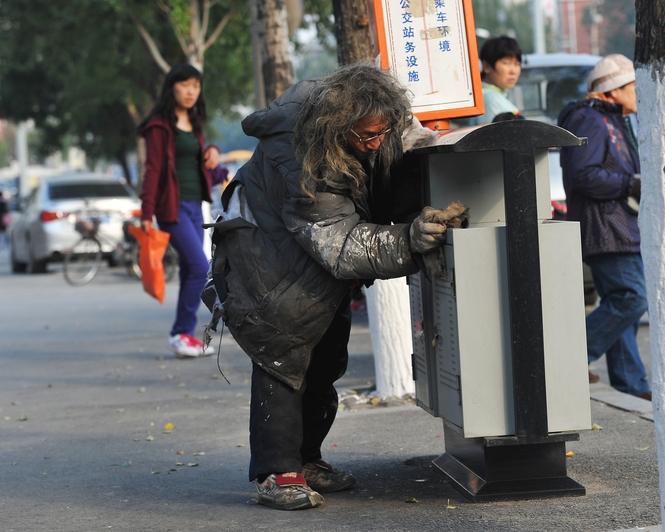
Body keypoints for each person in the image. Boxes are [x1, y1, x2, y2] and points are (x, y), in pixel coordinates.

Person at [204, 65, 459, 510]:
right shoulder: (302, 155)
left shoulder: (369, 123)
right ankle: (277, 472)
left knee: (326, 359)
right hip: (266, 266)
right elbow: (339, 244)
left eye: (383, 132)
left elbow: (398, 147)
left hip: (304, 264)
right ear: (338, 126)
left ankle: (308, 458)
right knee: (283, 357)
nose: (376, 144)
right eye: (367, 137)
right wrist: (409, 240)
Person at [557, 54, 651, 400]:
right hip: (605, 227)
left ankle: (631, 384)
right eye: (633, 88)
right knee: (631, 298)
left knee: (619, 300)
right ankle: (566, 359)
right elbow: (584, 176)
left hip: (617, 225)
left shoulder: (614, 119)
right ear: (612, 90)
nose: (639, 95)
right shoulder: (591, 120)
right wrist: (629, 184)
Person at [138, 63, 226, 359]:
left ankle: (182, 335)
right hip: (170, 208)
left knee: (192, 268)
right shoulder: (159, 126)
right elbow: (152, 170)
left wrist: (212, 149)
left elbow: (196, 159)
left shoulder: (195, 121)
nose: (191, 92)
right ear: (172, 87)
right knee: (201, 267)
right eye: (185, 85)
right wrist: (146, 213)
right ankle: (181, 334)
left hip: (193, 205)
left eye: (196, 86)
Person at [461, 35, 522, 126]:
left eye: (517, 64)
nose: (513, 71)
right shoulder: (491, 98)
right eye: (506, 63)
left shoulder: (480, 95)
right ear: (486, 66)